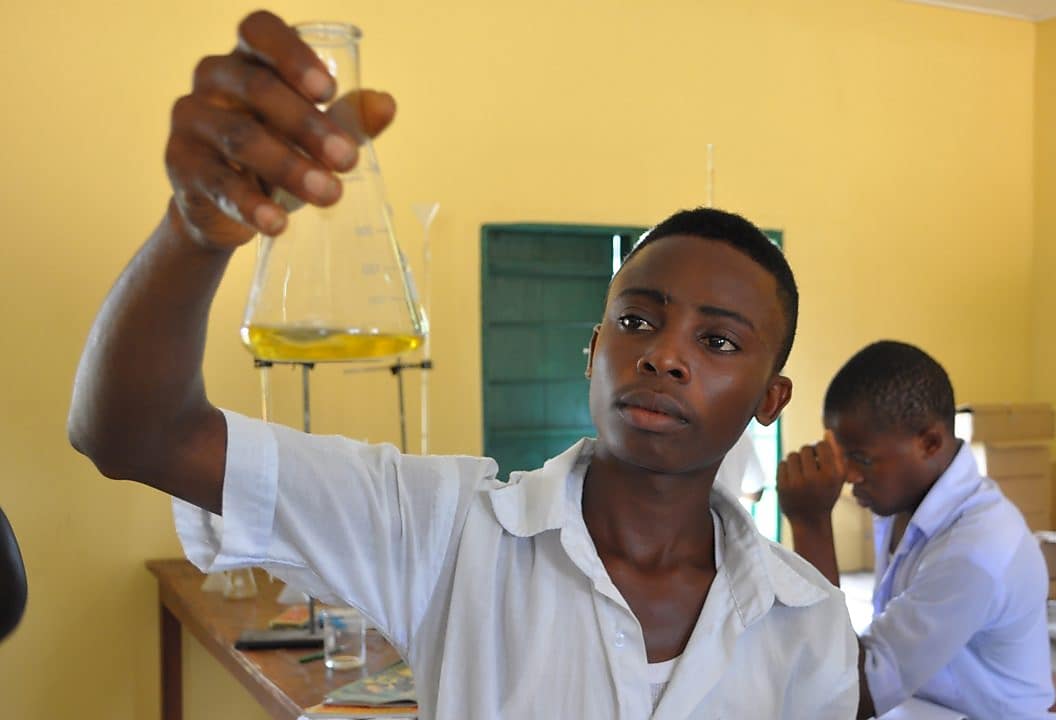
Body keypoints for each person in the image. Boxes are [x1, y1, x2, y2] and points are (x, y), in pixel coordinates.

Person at [65, 11, 859, 718]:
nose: (663, 355)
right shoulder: (445, 531)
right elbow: (138, 436)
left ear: (771, 398)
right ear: (592, 351)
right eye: (636, 321)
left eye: (717, 342)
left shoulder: (806, 621)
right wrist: (194, 231)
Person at [777, 341, 1056, 719]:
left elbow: (848, 695)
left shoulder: (976, 549)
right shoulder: (899, 504)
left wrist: (811, 524)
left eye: (860, 458)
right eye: (842, 457)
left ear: (929, 443)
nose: (848, 476)